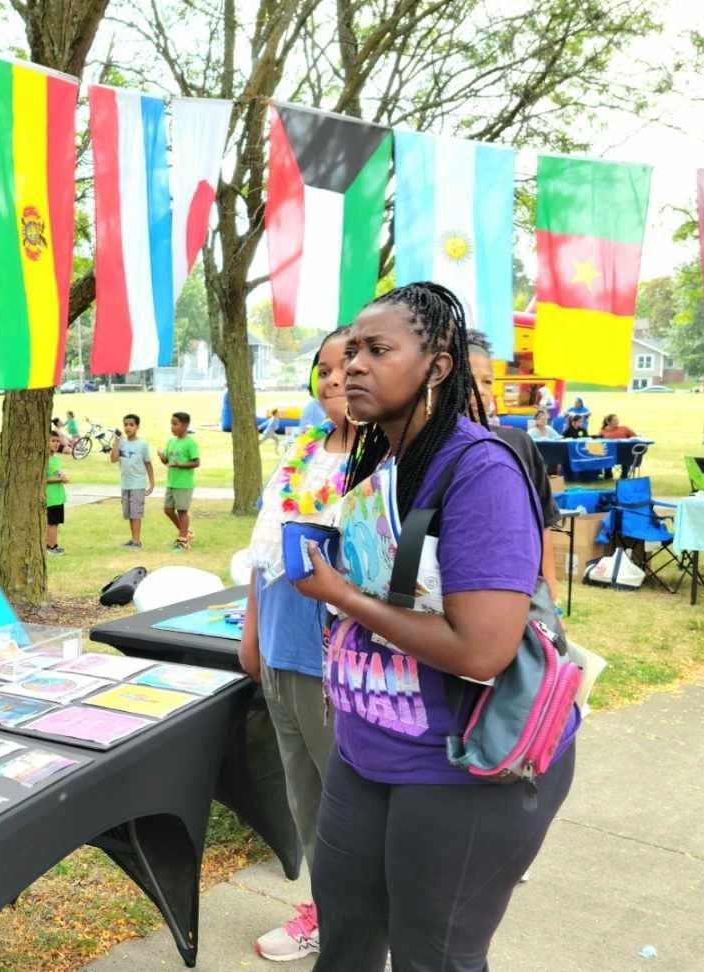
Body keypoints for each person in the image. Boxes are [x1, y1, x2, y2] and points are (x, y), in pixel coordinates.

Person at [292, 282, 575, 970]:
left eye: (376, 350)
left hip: (460, 767)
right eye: (349, 350)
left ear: (438, 365)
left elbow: (481, 651)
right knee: (346, 945)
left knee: (433, 958)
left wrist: (339, 595)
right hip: (366, 749)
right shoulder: (373, 461)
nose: (351, 365)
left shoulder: (479, 470)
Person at [239, 330, 352, 962]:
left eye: (351, 364)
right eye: (325, 368)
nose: (335, 378)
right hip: (281, 648)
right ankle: (323, 907)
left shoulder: (389, 461)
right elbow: (264, 552)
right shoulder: (303, 447)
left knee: (349, 803)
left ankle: (362, 922)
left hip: (339, 664)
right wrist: (253, 634)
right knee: (305, 798)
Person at [467, 331, 564, 605]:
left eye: (487, 381)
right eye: (469, 379)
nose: (481, 390)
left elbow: (542, 525)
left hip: (518, 598)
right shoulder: (426, 448)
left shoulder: (517, 443)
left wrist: (552, 599)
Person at [110, 413, 154, 548]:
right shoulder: (121, 442)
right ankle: (133, 539)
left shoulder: (143, 444)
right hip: (125, 483)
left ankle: (136, 541)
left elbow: (148, 463)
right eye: (125, 425)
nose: (128, 427)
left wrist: (151, 483)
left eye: (131, 425)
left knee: (136, 514)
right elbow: (113, 459)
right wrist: (116, 441)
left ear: (137, 426)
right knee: (129, 514)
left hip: (138, 483)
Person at [159, 411, 199, 550]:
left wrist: (179, 465)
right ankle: (186, 532)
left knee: (182, 511)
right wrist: (162, 456)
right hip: (171, 482)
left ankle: (183, 541)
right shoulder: (171, 441)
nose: (172, 427)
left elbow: (196, 462)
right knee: (168, 510)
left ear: (185, 425)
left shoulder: (190, 443)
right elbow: (167, 461)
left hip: (184, 483)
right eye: (171, 423)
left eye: (175, 424)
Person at [45, 433, 69, 555]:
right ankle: (50, 547)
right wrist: (60, 479)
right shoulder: (45, 460)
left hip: (58, 497)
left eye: (57, 441)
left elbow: (57, 473)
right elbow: (43, 479)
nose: (56, 443)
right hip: (50, 497)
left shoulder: (55, 458)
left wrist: (63, 477)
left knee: (56, 523)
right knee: (52, 523)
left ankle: (54, 544)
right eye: (53, 441)